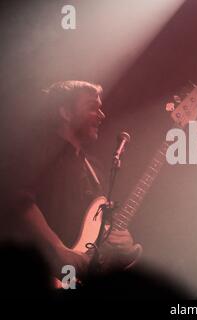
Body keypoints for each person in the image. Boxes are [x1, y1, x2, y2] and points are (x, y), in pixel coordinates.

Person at [8, 80, 136, 281]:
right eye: (92, 108)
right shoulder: (39, 154)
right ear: (66, 113)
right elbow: (20, 200)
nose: (101, 115)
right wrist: (58, 248)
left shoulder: (94, 168)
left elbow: (95, 231)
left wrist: (121, 241)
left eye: (100, 109)